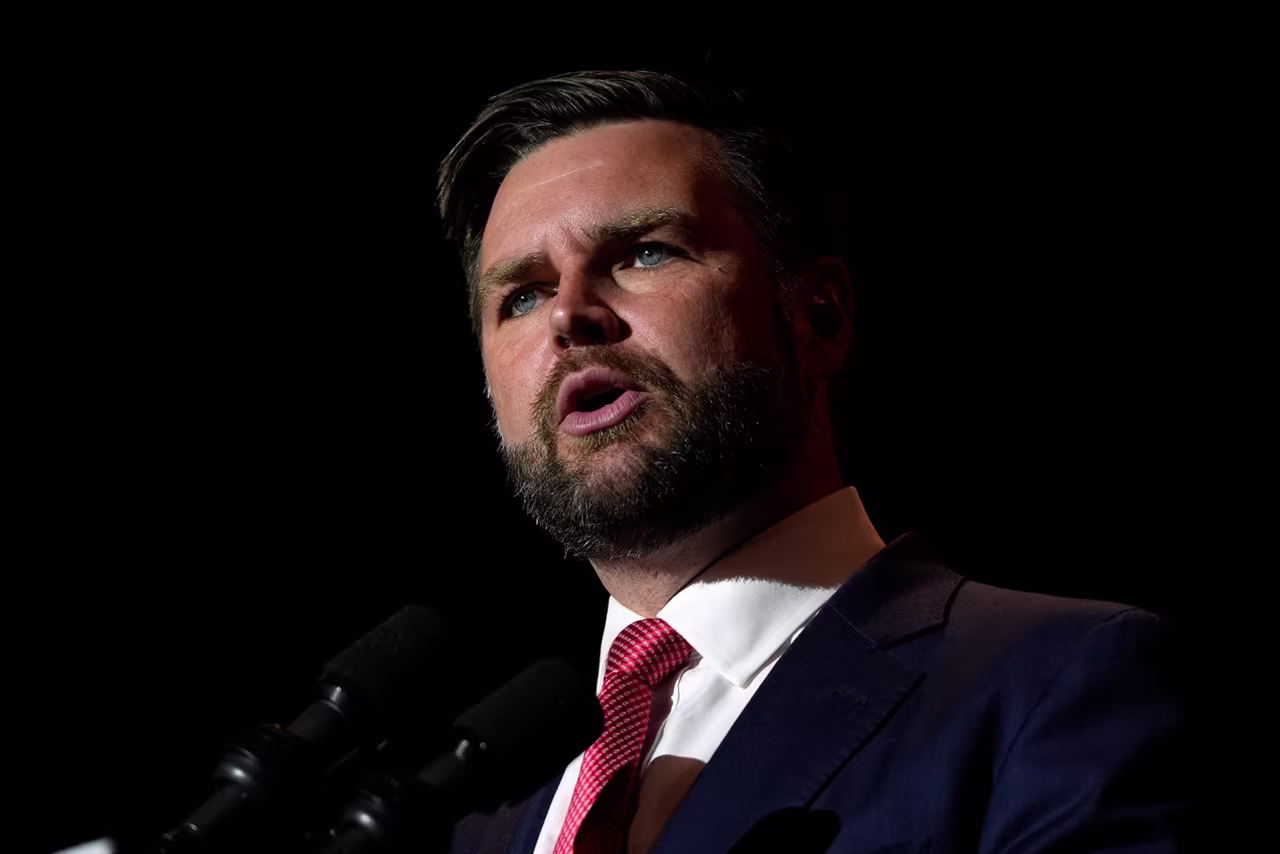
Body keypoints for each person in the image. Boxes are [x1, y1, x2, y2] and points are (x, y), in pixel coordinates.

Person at [435, 70, 1187, 854]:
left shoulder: (1050, 683)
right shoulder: (474, 816)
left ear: (817, 315)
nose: (568, 315)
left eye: (646, 253)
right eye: (521, 294)